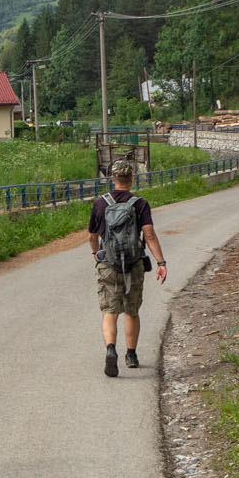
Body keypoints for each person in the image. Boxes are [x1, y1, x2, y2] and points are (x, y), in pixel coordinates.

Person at [86, 159, 167, 376]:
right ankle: (131, 355)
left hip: (108, 263)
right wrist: (160, 262)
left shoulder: (100, 203)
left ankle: (111, 349)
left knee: (109, 311)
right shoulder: (139, 204)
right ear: (132, 178)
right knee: (131, 311)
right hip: (133, 264)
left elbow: (93, 236)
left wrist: (96, 254)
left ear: (112, 179)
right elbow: (148, 235)